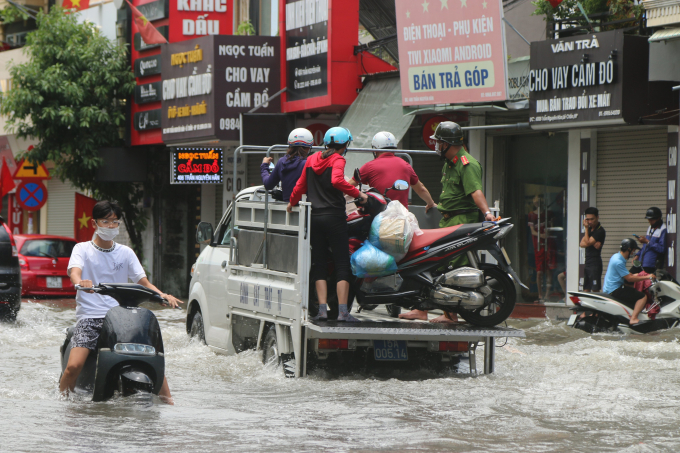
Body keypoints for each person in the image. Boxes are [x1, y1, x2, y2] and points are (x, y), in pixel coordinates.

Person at [59, 201, 182, 403]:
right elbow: (74, 272)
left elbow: (143, 282)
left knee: (151, 357)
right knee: (73, 367)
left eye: (115, 222)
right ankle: (63, 404)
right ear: (94, 223)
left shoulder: (126, 252)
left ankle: (169, 402)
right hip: (91, 318)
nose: (110, 226)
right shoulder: (82, 249)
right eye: (105, 221)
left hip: (122, 319)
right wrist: (81, 282)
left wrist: (163, 295)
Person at [400, 121, 495, 324]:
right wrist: (434, 204)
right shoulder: (449, 163)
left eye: (440, 142)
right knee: (434, 261)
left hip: (461, 219)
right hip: (447, 219)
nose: (437, 146)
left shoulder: (466, 163)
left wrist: (487, 212)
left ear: (448, 143)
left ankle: (451, 315)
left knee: (454, 266)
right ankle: (422, 309)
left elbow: (475, 191)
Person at [287, 127, 368, 322]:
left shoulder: (312, 159)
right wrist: (359, 194)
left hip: (314, 217)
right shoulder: (338, 159)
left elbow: (300, 186)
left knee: (320, 263)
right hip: (334, 217)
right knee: (342, 264)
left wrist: (291, 203)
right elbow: (337, 180)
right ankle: (342, 312)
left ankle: (322, 310)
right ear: (345, 145)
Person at [348, 131, 436, 211]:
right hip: (402, 217)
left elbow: (347, 186)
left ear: (375, 149)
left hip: (379, 217)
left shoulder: (369, 166)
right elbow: (421, 189)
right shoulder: (406, 165)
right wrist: (431, 203)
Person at [603, 238, 656, 325]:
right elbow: (629, 279)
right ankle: (633, 318)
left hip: (611, 287)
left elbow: (627, 275)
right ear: (629, 249)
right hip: (615, 289)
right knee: (642, 297)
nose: (633, 253)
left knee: (632, 290)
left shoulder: (616, 256)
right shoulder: (618, 261)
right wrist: (647, 277)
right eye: (633, 251)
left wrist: (639, 275)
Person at [261, 128, 313, 201]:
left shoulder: (281, 162)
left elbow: (268, 185)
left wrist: (264, 165)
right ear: (308, 147)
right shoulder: (309, 163)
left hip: (287, 209)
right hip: (306, 208)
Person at [527, 195, 557, 302]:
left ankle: (547, 295)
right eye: (535, 200)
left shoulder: (548, 214)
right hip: (538, 245)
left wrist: (547, 234)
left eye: (539, 200)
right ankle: (540, 295)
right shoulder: (531, 215)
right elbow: (532, 231)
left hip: (548, 244)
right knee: (539, 272)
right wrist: (542, 236)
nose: (537, 202)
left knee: (549, 270)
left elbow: (552, 227)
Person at [579, 206, 606, 292]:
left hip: (595, 263)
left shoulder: (600, 231)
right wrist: (590, 241)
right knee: (586, 289)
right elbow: (581, 244)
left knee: (595, 289)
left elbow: (587, 242)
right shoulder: (590, 230)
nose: (589, 222)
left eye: (592, 219)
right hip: (587, 262)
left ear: (597, 217)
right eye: (587, 219)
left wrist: (586, 229)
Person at [635, 207, 666, 274]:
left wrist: (647, 241)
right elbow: (645, 245)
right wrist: (638, 255)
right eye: (649, 220)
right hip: (642, 262)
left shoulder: (663, 230)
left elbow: (662, 249)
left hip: (651, 265)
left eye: (652, 220)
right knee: (630, 278)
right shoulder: (650, 228)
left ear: (658, 218)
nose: (650, 222)